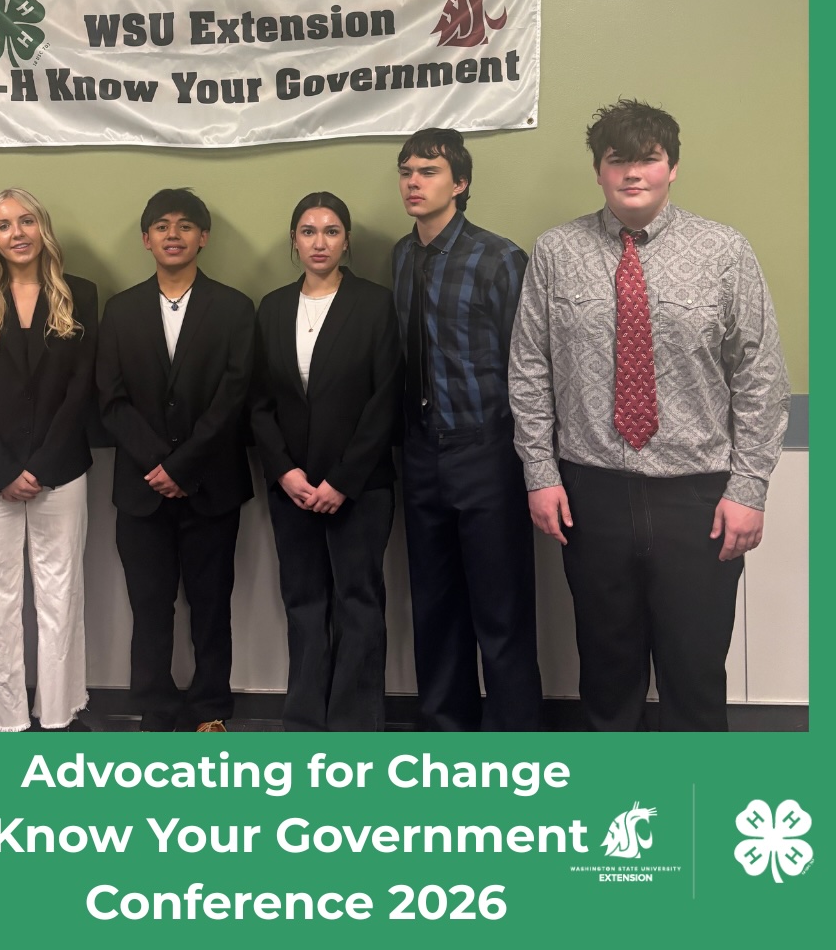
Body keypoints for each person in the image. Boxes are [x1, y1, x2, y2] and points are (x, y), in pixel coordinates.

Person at [509, 99, 790, 731]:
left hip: (698, 500)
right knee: (607, 677)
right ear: (599, 171)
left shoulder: (724, 251)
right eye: (618, 160)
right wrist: (540, 473)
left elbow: (762, 375)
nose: (633, 173)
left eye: (648, 159)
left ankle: (695, 817)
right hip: (592, 494)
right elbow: (529, 371)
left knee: (694, 675)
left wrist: (749, 488)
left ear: (673, 168)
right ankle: (617, 813)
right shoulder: (557, 252)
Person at [393, 127, 543, 732]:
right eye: (405, 171)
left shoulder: (499, 258)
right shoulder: (401, 257)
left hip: (486, 451)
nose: (412, 181)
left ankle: (515, 740)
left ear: (460, 183)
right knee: (433, 605)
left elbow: (530, 362)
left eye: (427, 171)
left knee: (500, 608)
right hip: (421, 453)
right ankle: (443, 732)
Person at [97, 188, 254, 733]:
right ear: (146, 239)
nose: (173, 234)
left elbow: (234, 397)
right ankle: (157, 710)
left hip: (211, 487)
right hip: (142, 491)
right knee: (150, 606)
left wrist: (183, 466)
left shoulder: (234, 308)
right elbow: (110, 398)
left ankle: (212, 708)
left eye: (185, 226)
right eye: (161, 226)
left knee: (212, 607)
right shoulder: (118, 310)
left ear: (202, 237)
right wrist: (160, 464)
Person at [251, 192, 403, 731]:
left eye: (331, 231)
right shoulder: (271, 307)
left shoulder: (375, 303)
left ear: (347, 240)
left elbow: (386, 398)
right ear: (294, 240)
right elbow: (259, 400)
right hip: (291, 484)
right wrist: (285, 472)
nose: (320, 242)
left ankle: (356, 727)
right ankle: (304, 722)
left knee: (357, 602)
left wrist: (342, 480)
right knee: (303, 601)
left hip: (359, 487)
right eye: (309, 231)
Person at [0, 188, 97, 732]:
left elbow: (80, 390)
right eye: (3, 224)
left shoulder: (80, 293)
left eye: (26, 220)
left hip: (61, 468)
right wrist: (5, 469)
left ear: (43, 227)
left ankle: (58, 710)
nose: (16, 233)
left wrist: (42, 463)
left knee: (62, 591)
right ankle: (0, 714)